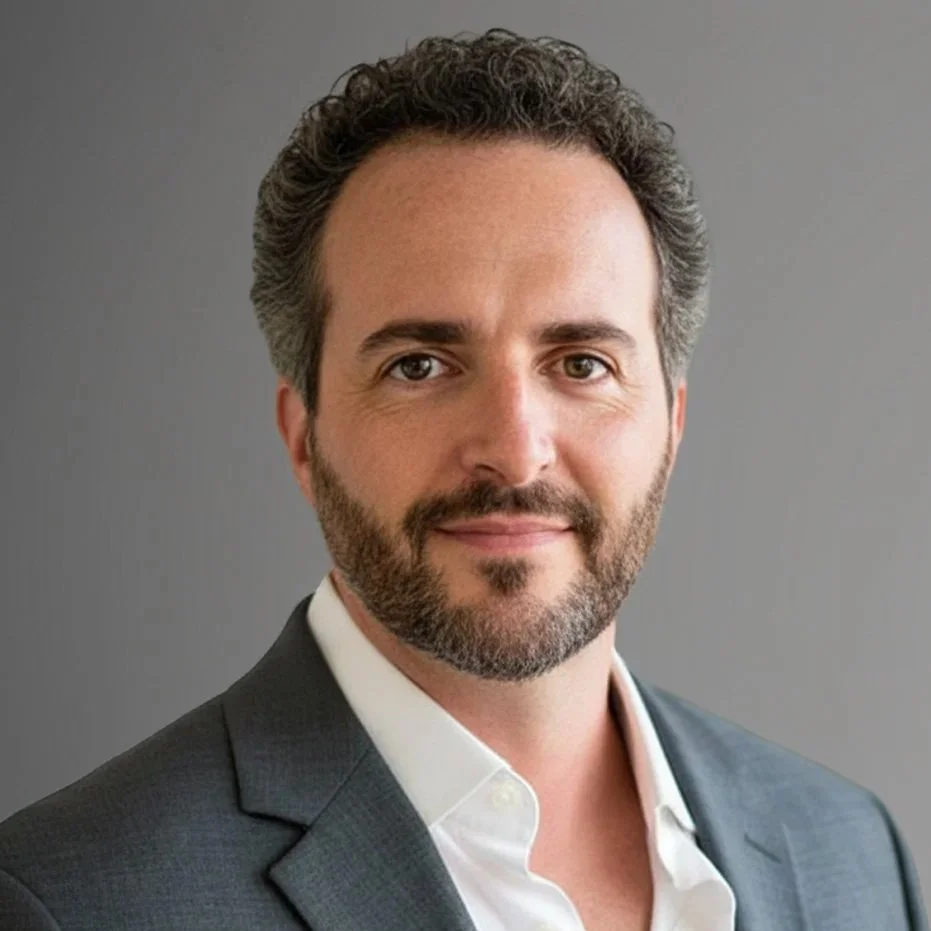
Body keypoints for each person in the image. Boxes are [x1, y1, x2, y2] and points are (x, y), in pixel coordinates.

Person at [0, 27, 926, 931]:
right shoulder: (70, 901)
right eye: (419, 365)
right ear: (303, 435)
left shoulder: (847, 851)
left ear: (671, 425)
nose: (514, 452)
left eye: (580, 363)